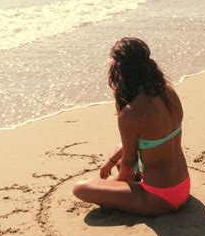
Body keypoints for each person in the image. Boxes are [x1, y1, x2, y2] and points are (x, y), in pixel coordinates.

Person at [73, 38, 190, 216]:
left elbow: (129, 160)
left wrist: (116, 183)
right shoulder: (168, 91)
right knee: (119, 148)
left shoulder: (130, 113)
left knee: (81, 188)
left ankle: (132, 190)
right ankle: (132, 185)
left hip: (158, 198)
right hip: (183, 186)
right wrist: (110, 162)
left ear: (119, 70)